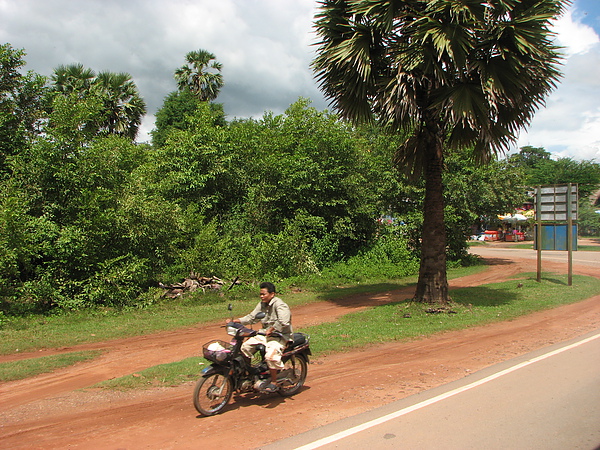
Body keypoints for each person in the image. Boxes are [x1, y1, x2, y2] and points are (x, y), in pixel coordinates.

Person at [228, 282, 292, 393]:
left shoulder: (280, 305)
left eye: (264, 294)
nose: (261, 296)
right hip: (264, 335)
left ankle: (274, 381)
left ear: (272, 294)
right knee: (244, 347)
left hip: (279, 336)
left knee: (270, 356)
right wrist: (235, 321)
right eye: (260, 294)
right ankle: (249, 375)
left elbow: (284, 322)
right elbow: (252, 317)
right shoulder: (262, 304)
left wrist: (271, 329)